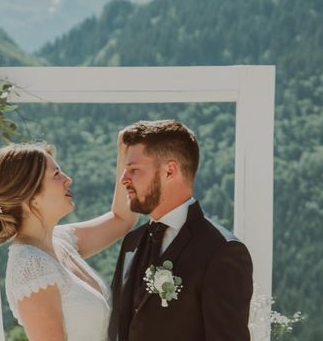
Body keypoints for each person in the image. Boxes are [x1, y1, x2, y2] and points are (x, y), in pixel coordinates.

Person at [0, 137, 137, 341]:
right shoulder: (30, 267)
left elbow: (122, 219)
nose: (68, 179)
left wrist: (125, 152)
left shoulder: (61, 240)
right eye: (56, 174)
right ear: (32, 197)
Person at [108, 119, 253, 341]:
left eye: (134, 170)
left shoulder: (222, 251)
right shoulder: (131, 243)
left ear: (170, 171)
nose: (123, 179)